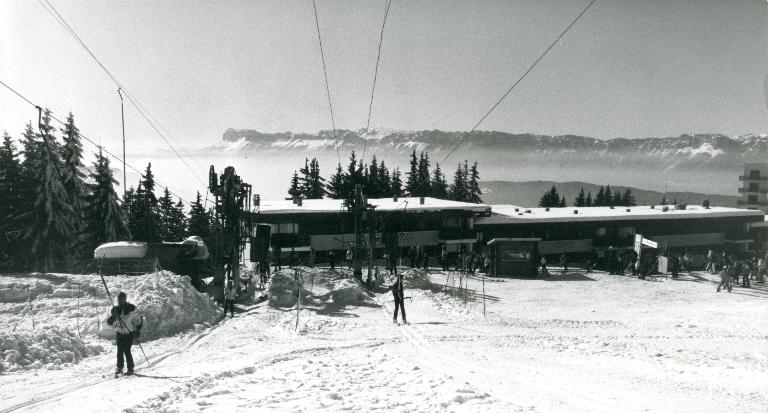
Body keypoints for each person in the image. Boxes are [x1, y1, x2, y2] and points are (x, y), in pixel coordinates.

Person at [107, 292, 142, 376]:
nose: (120, 300)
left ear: (125, 299)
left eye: (122, 298)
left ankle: (130, 368)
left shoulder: (131, 307)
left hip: (129, 332)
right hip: (119, 333)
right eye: (119, 299)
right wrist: (113, 316)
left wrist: (138, 330)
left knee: (127, 350)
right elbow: (109, 322)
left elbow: (139, 319)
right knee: (119, 351)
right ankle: (120, 367)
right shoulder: (115, 309)